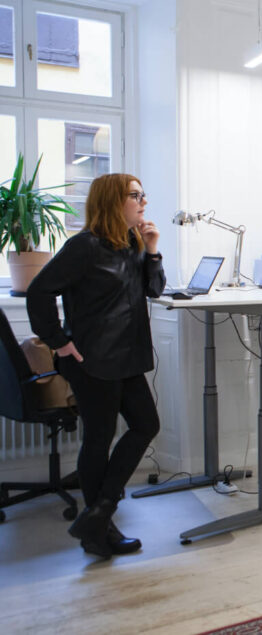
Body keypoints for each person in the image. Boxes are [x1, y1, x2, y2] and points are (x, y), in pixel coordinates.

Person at [27, 173, 165, 559]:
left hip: (127, 356)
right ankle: (98, 531)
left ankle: (98, 514)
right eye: (135, 195)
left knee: (146, 425)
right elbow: (39, 291)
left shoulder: (132, 243)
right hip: (92, 360)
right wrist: (59, 341)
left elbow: (154, 289)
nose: (143, 201)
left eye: (143, 194)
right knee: (99, 439)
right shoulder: (84, 246)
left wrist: (152, 250)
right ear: (112, 201)